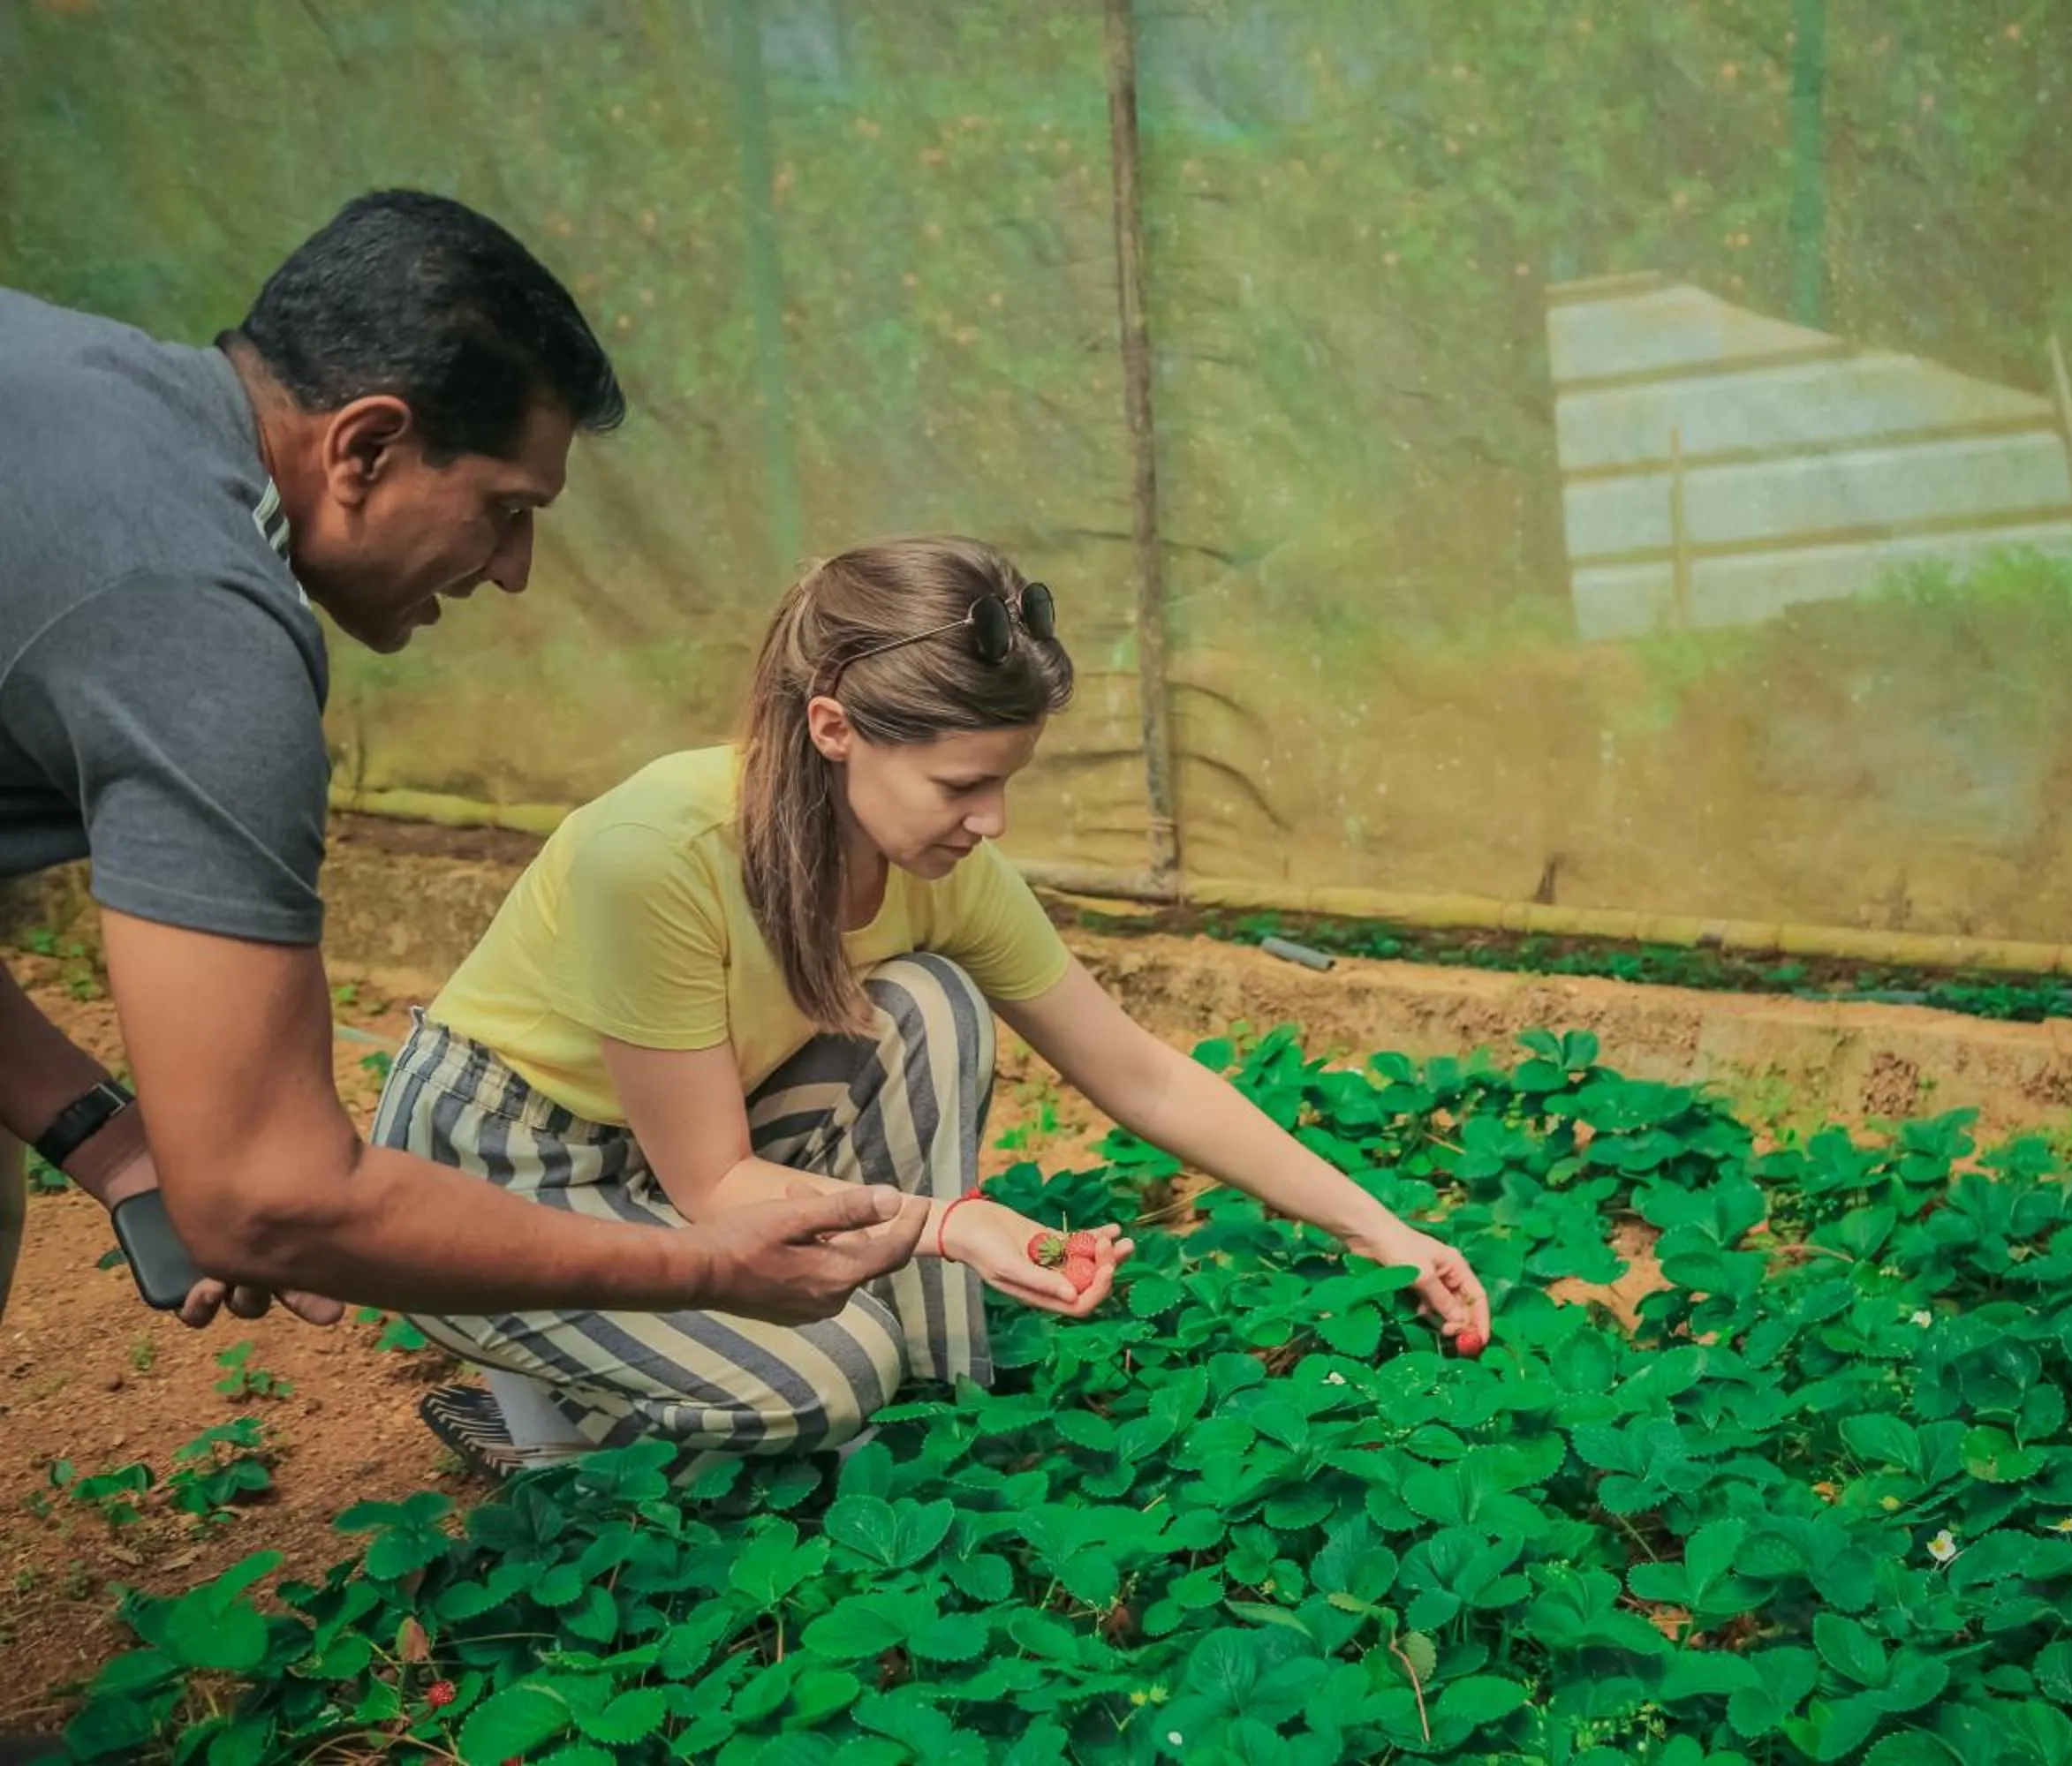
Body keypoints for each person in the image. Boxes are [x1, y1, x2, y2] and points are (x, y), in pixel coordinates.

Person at [0, 190, 924, 1335]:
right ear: (368, 446)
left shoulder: (73, 389)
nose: (515, 568)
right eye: (504, 509)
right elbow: (263, 1199)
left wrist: (107, 1137)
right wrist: (703, 1270)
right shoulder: (196, 627)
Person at [375, 535, 1494, 1477]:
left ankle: (928, 1435)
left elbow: (1138, 1071)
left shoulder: (937, 865)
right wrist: (951, 1223)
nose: (993, 820)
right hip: (500, 1173)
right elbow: (710, 1183)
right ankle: (550, 1431)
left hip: (667, 1144)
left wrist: (1386, 1232)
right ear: (833, 729)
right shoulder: (658, 852)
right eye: (962, 785)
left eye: (1006, 780)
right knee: (830, 1372)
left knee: (933, 1000)